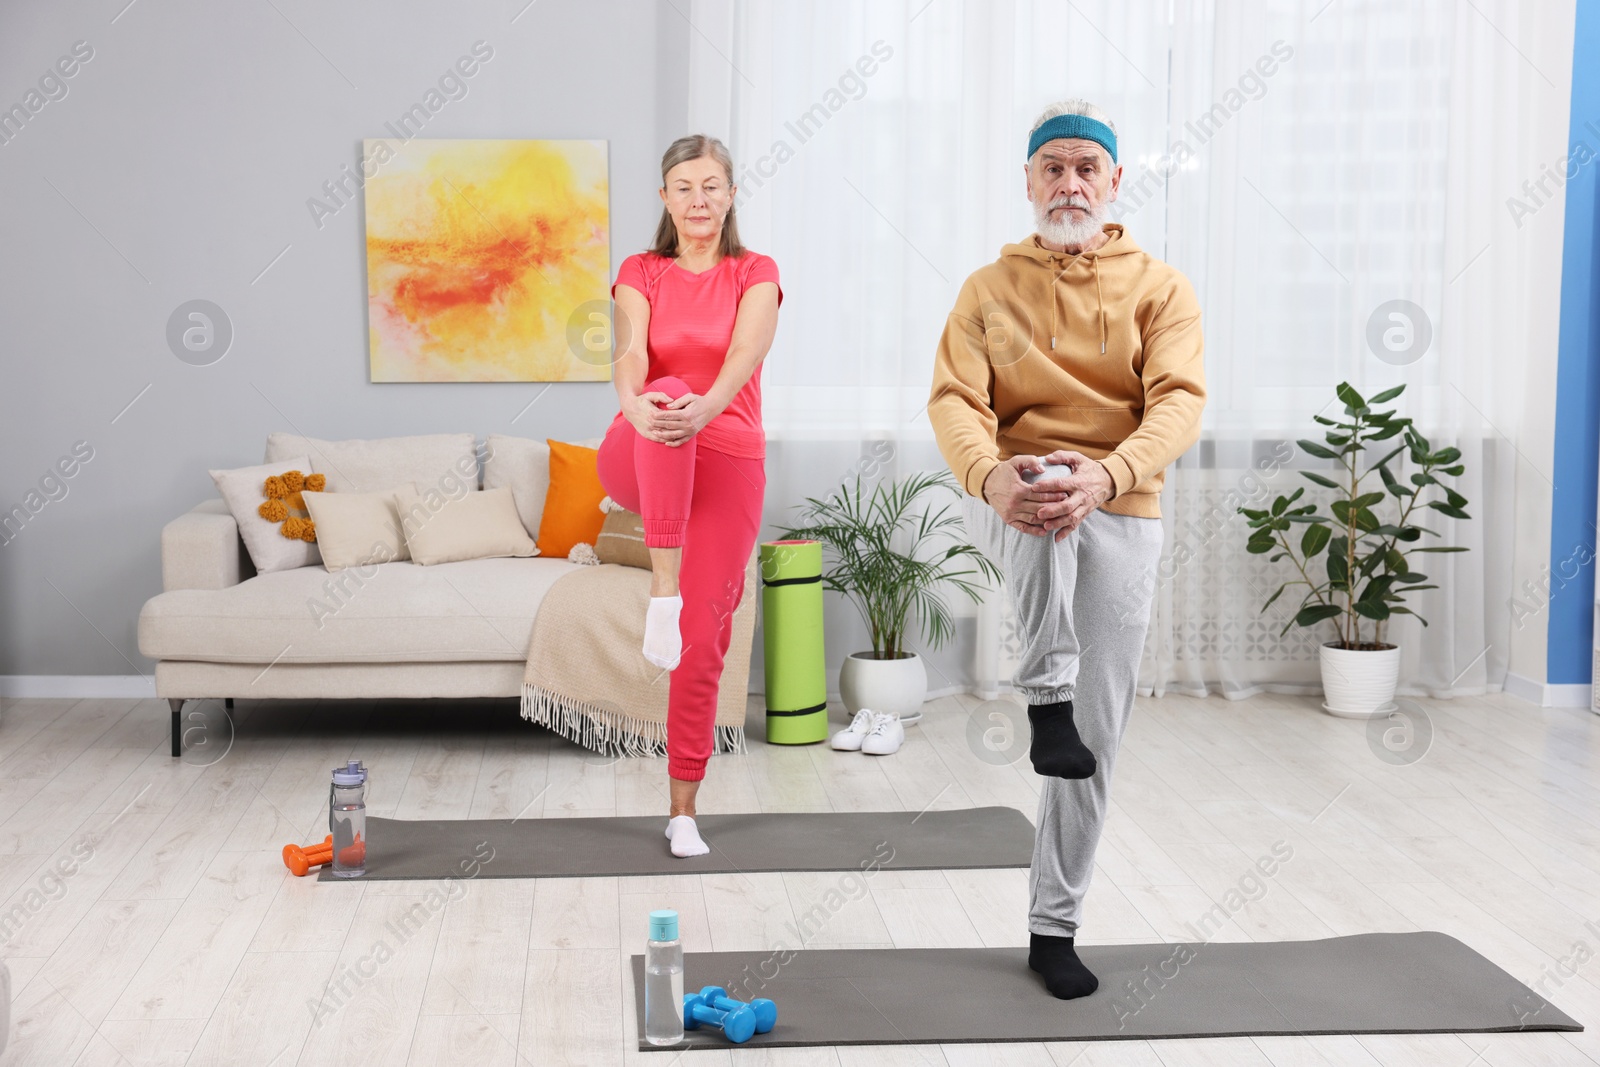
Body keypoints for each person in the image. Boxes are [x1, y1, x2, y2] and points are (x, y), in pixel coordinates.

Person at [927, 99, 1206, 997]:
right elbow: (956, 402)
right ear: (1029, 182)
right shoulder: (986, 289)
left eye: (1087, 166)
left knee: (1101, 730)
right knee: (1045, 476)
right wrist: (989, 475)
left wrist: (1109, 475)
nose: (1071, 181)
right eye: (1053, 167)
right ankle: (1045, 696)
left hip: (1125, 500)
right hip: (1026, 496)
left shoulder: (1160, 287)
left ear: (1115, 181)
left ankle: (1057, 924)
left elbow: (1178, 401)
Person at [596, 134, 782, 858]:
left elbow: (747, 350)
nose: (698, 199)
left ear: (731, 194)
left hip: (727, 459)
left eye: (711, 186)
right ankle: (661, 589)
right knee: (667, 388)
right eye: (684, 186)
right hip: (641, 448)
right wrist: (635, 402)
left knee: (705, 641)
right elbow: (632, 350)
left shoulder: (754, 271)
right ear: (665, 197)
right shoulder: (641, 269)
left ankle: (682, 808)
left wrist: (708, 409)